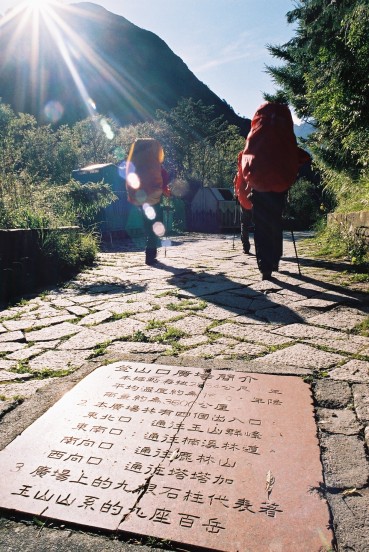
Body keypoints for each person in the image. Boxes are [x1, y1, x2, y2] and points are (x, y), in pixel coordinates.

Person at [241, 102, 311, 280]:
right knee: (275, 222)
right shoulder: (284, 133)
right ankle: (274, 259)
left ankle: (265, 266)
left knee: (261, 225)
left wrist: (248, 181)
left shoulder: (255, 134)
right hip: (279, 186)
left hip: (259, 186)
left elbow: (245, 158)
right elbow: (298, 155)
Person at [125, 138, 171, 265]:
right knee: (155, 227)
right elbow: (163, 186)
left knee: (148, 226)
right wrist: (167, 193)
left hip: (141, 200)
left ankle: (149, 255)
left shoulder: (137, 167)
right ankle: (150, 256)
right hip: (154, 200)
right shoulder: (157, 169)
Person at [233, 150, 253, 254]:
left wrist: (236, 195)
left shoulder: (238, 173)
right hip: (254, 199)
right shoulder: (252, 170)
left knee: (244, 224)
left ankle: (246, 247)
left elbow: (235, 188)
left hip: (243, 201)